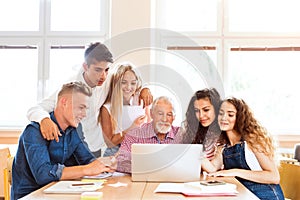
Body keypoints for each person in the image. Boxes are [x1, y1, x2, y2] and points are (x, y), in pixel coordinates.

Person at [27, 42, 153, 157]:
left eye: (107, 70)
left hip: (95, 146)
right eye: (98, 70)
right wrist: (44, 120)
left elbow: (129, 80)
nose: (103, 76)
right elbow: (35, 108)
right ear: (85, 67)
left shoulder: (106, 79)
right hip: (75, 146)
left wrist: (145, 89)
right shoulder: (71, 86)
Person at [11, 82, 111, 200]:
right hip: (31, 196)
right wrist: (86, 170)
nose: (84, 114)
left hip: (57, 193)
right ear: (64, 102)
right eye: (81, 107)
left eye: (85, 109)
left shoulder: (73, 129)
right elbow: (43, 174)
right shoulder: (33, 131)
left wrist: (106, 164)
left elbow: (87, 160)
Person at [202, 97, 284, 200]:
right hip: (243, 193)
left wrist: (235, 171)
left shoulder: (253, 140)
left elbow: (274, 177)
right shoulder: (222, 147)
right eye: (221, 114)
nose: (224, 118)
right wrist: (195, 153)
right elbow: (212, 168)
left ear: (240, 118)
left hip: (266, 195)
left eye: (230, 114)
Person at [116, 96, 181, 173]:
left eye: (169, 115)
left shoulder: (181, 134)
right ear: (151, 113)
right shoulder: (135, 134)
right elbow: (120, 162)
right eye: (160, 114)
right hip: (143, 180)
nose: (164, 119)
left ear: (174, 117)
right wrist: (145, 169)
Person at [99, 62, 151, 157]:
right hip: (116, 152)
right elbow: (110, 143)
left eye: (133, 83)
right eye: (123, 82)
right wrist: (132, 128)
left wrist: (146, 89)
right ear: (116, 83)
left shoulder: (142, 101)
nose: (128, 87)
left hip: (139, 150)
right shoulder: (107, 108)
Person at [181, 88, 222, 160]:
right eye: (196, 111)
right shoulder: (192, 134)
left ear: (216, 109)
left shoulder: (225, 134)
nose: (201, 116)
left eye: (206, 110)